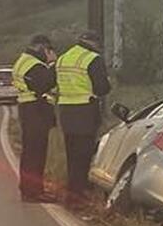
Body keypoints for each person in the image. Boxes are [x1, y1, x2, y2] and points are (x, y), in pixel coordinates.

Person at [55, 30, 111, 208]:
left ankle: (72, 191)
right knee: (84, 155)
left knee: (72, 154)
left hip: (65, 111)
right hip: (85, 111)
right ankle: (76, 196)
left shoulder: (63, 58)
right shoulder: (93, 58)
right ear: (94, 43)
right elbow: (102, 88)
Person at [11, 34, 57, 202]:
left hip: (27, 109)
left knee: (29, 152)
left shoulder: (23, 60)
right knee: (36, 153)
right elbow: (45, 84)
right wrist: (52, 65)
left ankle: (28, 189)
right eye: (49, 50)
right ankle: (34, 192)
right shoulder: (34, 65)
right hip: (35, 110)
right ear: (42, 48)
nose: (50, 53)